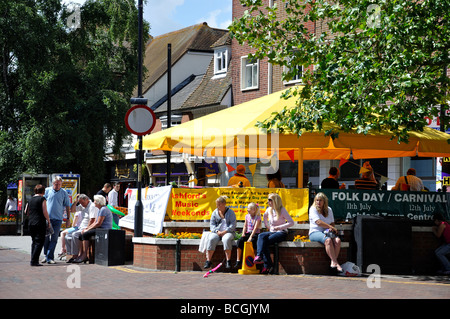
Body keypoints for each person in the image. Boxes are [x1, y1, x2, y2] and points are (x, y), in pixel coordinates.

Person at [254, 193, 294, 274]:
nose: (268, 202)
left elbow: (291, 222)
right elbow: (264, 216)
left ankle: (267, 265)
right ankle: (259, 256)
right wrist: (267, 225)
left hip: (281, 232)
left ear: (275, 201)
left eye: (270, 200)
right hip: (272, 231)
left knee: (265, 241)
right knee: (261, 235)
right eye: (268, 200)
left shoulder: (282, 210)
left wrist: (279, 227)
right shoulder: (269, 209)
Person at [308, 192, 342, 274]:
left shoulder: (329, 209)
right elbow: (318, 222)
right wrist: (330, 227)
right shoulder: (313, 209)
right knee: (328, 240)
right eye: (317, 200)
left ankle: (333, 263)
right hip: (315, 232)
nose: (318, 202)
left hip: (326, 231)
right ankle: (336, 263)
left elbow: (332, 223)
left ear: (324, 202)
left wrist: (330, 228)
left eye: (320, 200)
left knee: (337, 241)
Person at [74, 195, 113, 263]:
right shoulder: (100, 209)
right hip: (100, 228)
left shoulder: (103, 209)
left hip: (104, 229)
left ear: (98, 202)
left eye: (95, 201)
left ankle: (85, 255)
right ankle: (81, 254)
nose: (94, 202)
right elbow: (95, 221)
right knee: (81, 235)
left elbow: (98, 223)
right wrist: (87, 228)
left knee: (85, 235)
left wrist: (87, 230)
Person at [42, 176, 71, 264]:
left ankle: (50, 257)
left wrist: (68, 219)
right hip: (47, 219)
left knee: (54, 239)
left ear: (61, 184)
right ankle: (46, 256)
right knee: (46, 238)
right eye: (56, 184)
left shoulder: (64, 192)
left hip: (58, 219)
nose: (57, 186)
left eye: (59, 184)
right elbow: (42, 202)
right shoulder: (47, 190)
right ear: (52, 183)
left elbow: (67, 206)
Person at [204, 196, 236, 269]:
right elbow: (212, 224)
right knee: (211, 239)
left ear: (224, 204)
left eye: (219, 204)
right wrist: (217, 231)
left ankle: (228, 261)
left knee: (226, 239)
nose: (218, 206)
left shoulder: (230, 212)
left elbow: (233, 224)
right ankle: (208, 261)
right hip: (217, 232)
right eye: (217, 204)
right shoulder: (215, 213)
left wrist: (226, 231)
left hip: (228, 232)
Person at [65, 194, 98, 263]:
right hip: (80, 227)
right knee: (67, 236)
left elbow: (92, 220)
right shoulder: (82, 206)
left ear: (87, 200)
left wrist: (87, 228)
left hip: (86, 227)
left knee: (75, 235)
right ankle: (72, 254)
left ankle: (76, 255)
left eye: (82, 202)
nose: (81, 204)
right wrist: (76, 201)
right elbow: (72, 210)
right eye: (80, 203)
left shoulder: (91, 206)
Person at [26, 184, 51, 266]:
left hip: (31, 223)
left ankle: (33, 259)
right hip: (40, 222)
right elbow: (45, 211)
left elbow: (26, 211)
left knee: (34, 241)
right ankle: (34, 261)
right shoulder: (42, 199)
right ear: (43, 191)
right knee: (39, 242)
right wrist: (48, 220)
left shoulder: (30, 199)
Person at [235, 202, 261, 268]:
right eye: (247, 208)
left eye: (249, 208)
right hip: (248, 233)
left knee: (253, 242)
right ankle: (238, 260)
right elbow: (245, 226)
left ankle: (255, 260)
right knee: (240, 241)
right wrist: (243, 233)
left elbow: (255, 228)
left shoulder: (258, 218)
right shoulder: (247, 216)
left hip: (255, 234)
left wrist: (250, 237)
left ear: (254, 210)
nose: (247, 210)